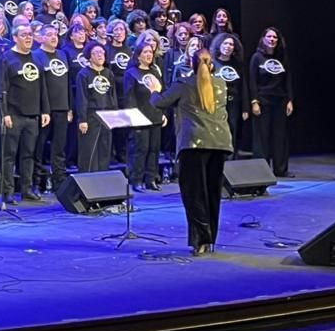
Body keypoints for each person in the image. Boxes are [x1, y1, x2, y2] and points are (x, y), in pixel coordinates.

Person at [152, 47, 234, 254]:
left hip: (194, 145)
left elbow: (160, 102)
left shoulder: (183, 84)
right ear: (212, 64)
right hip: (219, 143)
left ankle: (200, 241)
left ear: (190, 63)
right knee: (212, 192)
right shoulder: (221, 83)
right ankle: (210, 239)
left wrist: (154, 87)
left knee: (194, 194)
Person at [0, 21, 45, 204]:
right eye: (24, 35)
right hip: (14, 115)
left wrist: (44, 110)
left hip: (33, 115)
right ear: (15, 38)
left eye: (30, 35)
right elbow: (0, 88)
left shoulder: (37, 58)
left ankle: (26, 189)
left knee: (29, 154)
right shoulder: (6, 58)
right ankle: (7, 192)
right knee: (9, 155)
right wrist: (5, 113)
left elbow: (43, 88)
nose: (28, 38)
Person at [249, 26, 293, 176]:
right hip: (262, 101)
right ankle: (262, 171)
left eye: (275, 37)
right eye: (269, 37)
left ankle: (281, 169)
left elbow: (288, 81)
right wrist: (254, 101)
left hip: (280, 101)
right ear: (263, 39)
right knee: (262, 137)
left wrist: (290, 100)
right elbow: (252, 81)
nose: (272, 40)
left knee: (280, 136)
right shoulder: (257, 57)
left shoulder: (282, 58)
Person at [122, 39, 164, 192]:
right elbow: (129, 97)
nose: (148, 55)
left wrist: (163, 113)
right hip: (140, 117)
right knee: (140, 149)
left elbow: (161, 93)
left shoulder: (155, 72)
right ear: (138, 56)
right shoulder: (131, 73)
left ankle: (151, 179)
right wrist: (132, 116)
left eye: (150, 52)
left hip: (155, 115)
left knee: (154, 149)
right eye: (145, 52)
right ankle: (136, 179)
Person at [34, 25, 72, 194]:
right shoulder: (36, 56)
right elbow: (38, 87)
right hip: (45, 111)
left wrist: (69, 107)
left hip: (62, 108)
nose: (53, 37)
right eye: (49, 34)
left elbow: (68, 83)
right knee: (39, 146)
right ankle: (39, 180)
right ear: (41, 38)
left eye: (55, 34)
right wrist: (44, 110)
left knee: (59, 147)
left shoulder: (63, 55)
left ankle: (59, 180)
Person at [74, 43, 117, 172]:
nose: (100, 55)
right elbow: (81, 98)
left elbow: (112, 96)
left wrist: (115, 115)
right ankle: (87, 182)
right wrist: (82, 119)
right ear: (89, 56)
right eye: (96, 53)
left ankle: (103, 180)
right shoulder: (83, 74)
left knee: (104, 149)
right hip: (91, 116)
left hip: (107, 116)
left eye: (102, 53)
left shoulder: (108, 73)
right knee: (89, 151)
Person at [210, 31, 248, 155]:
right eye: (225, 43)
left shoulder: (238, 65)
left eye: (231, 44)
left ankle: (231, 158)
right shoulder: (212, 63)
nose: (228, 47)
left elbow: (243, 87)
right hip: (216, 104)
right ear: (219, 45)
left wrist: (245, 108)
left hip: (233, 103)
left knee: (232, 130)